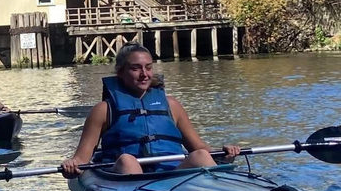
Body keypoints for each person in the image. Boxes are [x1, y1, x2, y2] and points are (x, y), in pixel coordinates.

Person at [62, 43, 240, 176]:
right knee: (127, 160)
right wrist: (71, 166)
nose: (144, 74)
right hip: (128, 177)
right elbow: (81, 159)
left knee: (200, 155)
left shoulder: (172, 105)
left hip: (173, 175)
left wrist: (224, 153)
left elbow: (199, 147)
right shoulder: (103, 110)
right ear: (121, 72)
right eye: (135, 68)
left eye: (148, 68)